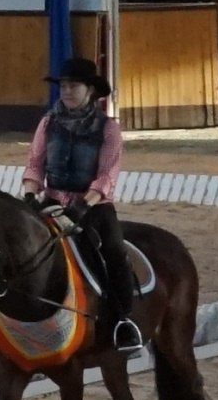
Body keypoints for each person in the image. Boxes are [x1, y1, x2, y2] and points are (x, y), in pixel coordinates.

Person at [22, 57, 143, 351]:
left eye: (73, 86)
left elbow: (106, 176)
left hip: (93, 205)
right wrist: (30, 195)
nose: (66, 91)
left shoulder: (109, 129)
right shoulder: (48, 123)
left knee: (114, 252)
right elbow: (35, 164)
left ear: (90, 90)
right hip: (52, 200)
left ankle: (123, 321)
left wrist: (82, 207)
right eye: (63, 86)